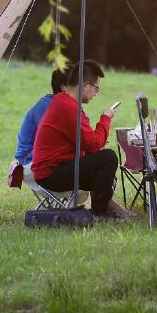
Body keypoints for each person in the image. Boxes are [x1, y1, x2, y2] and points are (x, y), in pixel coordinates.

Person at [31, 60, 122, 219]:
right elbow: (93, 144)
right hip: (52, 173)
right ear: (86, 85)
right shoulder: (68, 106)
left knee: (104, 175)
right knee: (109, 158)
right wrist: (106, 118)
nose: (95, 93)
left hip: (54, 168)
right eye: (96, 88)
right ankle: (100, 214)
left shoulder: (64, 102)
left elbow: (86, 142)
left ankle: (104, 209)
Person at [14, 68, 65, 167]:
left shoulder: (58, 104)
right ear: (64, 87)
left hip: (40, 158)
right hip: (29, 161)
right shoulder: (47, 107)